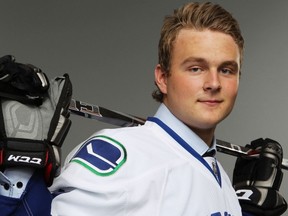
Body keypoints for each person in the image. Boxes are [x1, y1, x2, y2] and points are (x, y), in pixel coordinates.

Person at [0, 2, 286, 216]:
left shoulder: (214, 172)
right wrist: (16, 182)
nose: (213, 83)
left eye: (226, 70)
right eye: (196, 68)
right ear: (162, 77)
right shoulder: (128, 159)